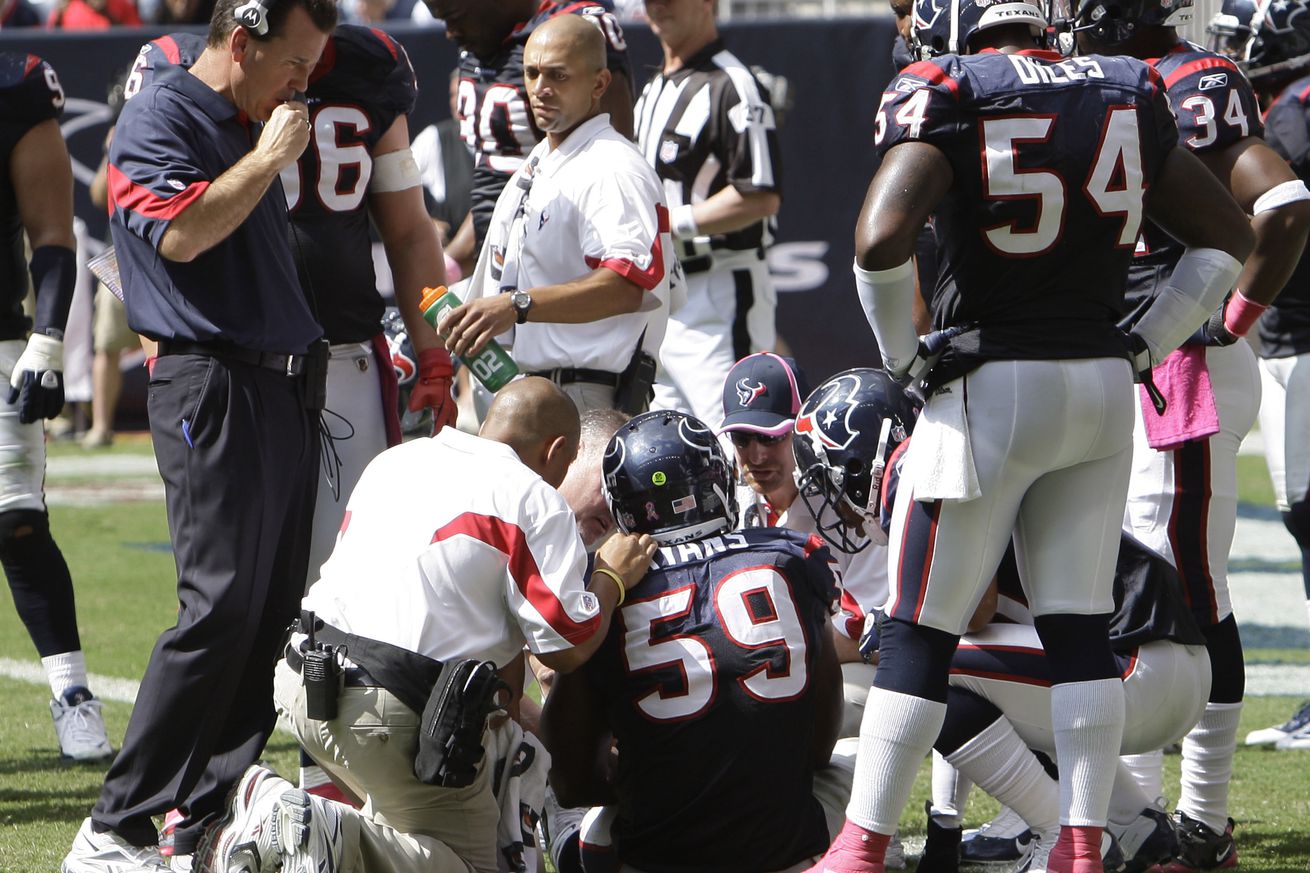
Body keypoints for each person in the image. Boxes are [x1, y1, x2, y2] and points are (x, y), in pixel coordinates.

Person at [807, 0, 1256, 871]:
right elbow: (1227, 238)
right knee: (1079, 627)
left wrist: (906, 362)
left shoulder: (949, 86)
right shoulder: (1123, 86)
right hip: (1099, 388)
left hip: (992, 388)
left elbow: (878, 240)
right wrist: (1147, 342)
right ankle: (1081, 844)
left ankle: (860, 846)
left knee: (917, 630)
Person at [61, 0, 339, 869]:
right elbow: (178, 233)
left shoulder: (241, 117)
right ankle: (115, 823)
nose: (304, 85)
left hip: (280, 383)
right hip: (213, 382)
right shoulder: (164, 113)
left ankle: (204, 812)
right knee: (217, 607)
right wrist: (265, 159)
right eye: (295, 65)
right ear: (243, 42)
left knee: (266, 615)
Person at [195, 377, 655, 873]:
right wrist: (611, 576)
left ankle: (309, 822)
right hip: (387, 706)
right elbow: (567, 641)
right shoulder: (529, 494)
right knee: (476, 865)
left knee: (408, 824)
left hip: (302, 678)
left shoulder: (398, 459)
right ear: (557, 449)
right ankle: (310, 827)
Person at [1071, 1, 1310, 868]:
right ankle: (1141, 811)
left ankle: (1198, 819)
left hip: (1183, 366)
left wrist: (1230, 319)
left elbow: (1281, 202)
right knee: (1138, 583)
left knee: (1185, 592)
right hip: (1131, 359)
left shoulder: (1190, 81)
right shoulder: (1098, 80)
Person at [542, 408, 844, 873]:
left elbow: (570, 780)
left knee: (596, 825)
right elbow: (819, 746)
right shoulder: (792, 557)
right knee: (853, 760)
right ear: (719, 481)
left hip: (659, 855)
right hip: (784, 855)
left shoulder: (603, 589)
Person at [440, 14, 672, 415]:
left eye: (558, 76)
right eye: (531, 74)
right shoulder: (542, 161)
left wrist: (516, 305)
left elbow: (628, 284)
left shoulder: (612, 165)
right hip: (532, 388)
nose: (540, 89)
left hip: (588, 395)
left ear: (599, 83)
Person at [0, 51, 113, 762]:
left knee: (16, 519)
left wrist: (46, 338)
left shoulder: (14, 84)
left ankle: (72, 692)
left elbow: (51, 231)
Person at [1209, 0, 1310, 756]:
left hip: (1298, 337)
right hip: (1292, 338)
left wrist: (1232, 311)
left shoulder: (1292, 117)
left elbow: (1280, 213)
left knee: (1307, 512)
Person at [638, 0, 784, 431]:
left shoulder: (733, 84)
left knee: (737, 443)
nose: (657, 6)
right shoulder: (653, 89)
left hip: (719, 296)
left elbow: (760, 195)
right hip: (661, 301)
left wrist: (671, 224)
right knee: (672, 453)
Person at [422, 0, 634, 276]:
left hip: (567, 262)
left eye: (453, 16)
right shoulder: (480, 46)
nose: (450, 32)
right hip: (505, 261)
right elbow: (502, 183)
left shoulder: (573, 30)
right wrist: (450, 265)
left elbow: (611, 161)